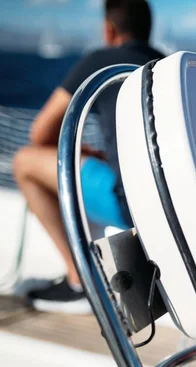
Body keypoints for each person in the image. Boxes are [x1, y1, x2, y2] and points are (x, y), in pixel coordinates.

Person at [12, 0, 164, 314]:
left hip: (131, 207)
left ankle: (80, 281)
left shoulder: (102, 61)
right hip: (169, 203)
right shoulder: (164, 64)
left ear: (109, 29)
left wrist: (81, 150)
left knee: (25, 162)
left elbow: (40, 134)